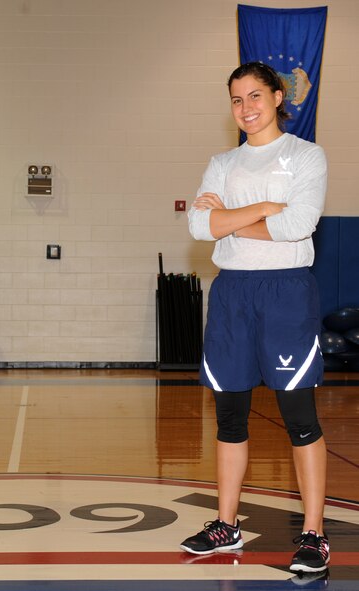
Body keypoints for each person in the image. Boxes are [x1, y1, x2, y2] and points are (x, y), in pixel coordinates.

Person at [180, 62, 329, 574]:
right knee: (229, 417)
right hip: (232, 295)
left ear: (278, 96)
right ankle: (227, 523)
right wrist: (265, 208)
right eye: (237, 100)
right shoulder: (222, 161)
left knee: (299, 418)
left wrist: (232, 222)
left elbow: (299, 224)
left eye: (255, 96)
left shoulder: (306, 155)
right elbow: (200, 225)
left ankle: (314, 533)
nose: (246, 108)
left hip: (286, 293)